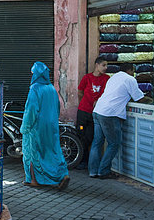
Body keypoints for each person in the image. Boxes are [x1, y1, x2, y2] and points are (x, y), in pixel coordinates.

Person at [88, 63, 153, 179]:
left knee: (97, 142)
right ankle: (103, 171)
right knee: (114, 143)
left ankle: (93, 171)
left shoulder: (114, 77)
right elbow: (139, 98)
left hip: (98, 110)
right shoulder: (130, 79)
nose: (133, 73)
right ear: (130, 70)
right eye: (133, 71)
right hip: (110, 114)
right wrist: (152, 100)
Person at [20, 62, 70, 190]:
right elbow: (57, 108)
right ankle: (62, 175)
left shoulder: (35, 88)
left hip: (36, 127)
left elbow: (31, 109)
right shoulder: (51, 88)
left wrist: (25, 127)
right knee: (52, 151)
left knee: (31, 152)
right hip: (51, 126)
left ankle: (34, 180)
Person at [76, 57, 110, 170]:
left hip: (95, 114)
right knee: (80, 135)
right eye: (103, 65)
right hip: (83, 111)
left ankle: (85, 161)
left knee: (90, 137)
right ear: (97, 65)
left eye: (106, 65)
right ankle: (79, 160)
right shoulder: (87, 78)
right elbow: (80, 91)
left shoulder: (106, 79)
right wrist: (86, 101)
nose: (105, 68)